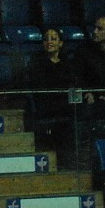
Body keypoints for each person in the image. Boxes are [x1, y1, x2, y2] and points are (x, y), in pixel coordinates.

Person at [27, 29, 79, 164]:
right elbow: (41, 86)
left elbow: (73, 84)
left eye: (53, 38)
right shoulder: (36, 61)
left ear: (60, 43)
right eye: (46, 39)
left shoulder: (67, 63)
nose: (49, 41)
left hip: (65, 104)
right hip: (46, 104)